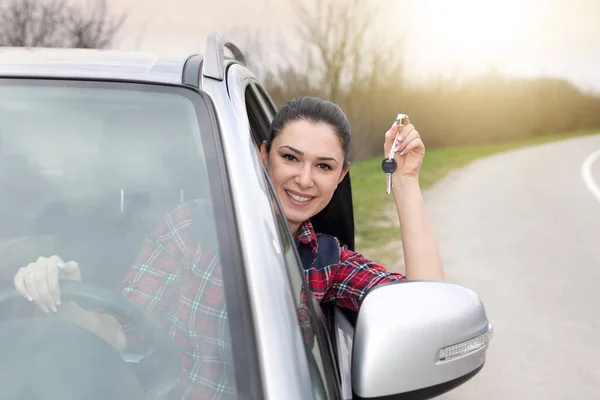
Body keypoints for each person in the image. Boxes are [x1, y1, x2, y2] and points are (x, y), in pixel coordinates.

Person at [12, 96, 444, 398]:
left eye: (324, 166)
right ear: (262, 155)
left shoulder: (325, 260)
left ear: (341, 175)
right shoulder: (191, 230)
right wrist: (61, 293)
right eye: (290, 158)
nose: (305, 179)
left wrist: (405, 182)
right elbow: (125, 332)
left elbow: (429, 308)